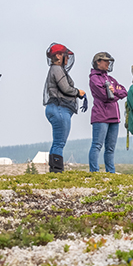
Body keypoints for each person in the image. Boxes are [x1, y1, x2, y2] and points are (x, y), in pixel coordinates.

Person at [42, 43, 86, 173]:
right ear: (59, 56)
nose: (67, 59)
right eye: (65, 55)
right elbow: (65, 88)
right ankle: (57, 172)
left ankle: (54, 170)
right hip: (59, 109)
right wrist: (78, 92)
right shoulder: (57, 69)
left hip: (55, 109)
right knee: (59, 142)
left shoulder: (55, 70)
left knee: (57, 142)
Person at [88, 52, 129, 173]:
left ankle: (110, 172)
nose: (108, 63)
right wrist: (114, 93)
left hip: (114, 118)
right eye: (106, 61)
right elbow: (105, 96)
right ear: (98, 62)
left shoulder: (110, 79)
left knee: (110, 148)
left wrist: (114, 92)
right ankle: (94, 171)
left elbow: (124, 91)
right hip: (101, 117)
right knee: (97, 145)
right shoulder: (94, 78)